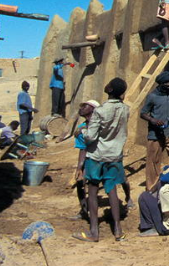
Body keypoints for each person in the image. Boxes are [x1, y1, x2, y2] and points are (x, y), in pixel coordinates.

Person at [73, 78, 130, 242]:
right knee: (112, 190)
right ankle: (118, 230)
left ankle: (94, 232)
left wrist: (81, 132)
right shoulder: (125, 109)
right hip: (115, 155)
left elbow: (91, 137)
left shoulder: (101, 111)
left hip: (97, 156)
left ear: (110, 89)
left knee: (92, 191)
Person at [71, 100, 134, 220]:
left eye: (85, 106)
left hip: (109, 156)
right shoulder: (81, 128)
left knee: (122, 180)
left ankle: (128, 198)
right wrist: (79, 167)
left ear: (93, 109)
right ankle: (84, 210)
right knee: (81, 182)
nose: (82, 108)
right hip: (93, 158)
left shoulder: (103, 124)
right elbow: (83, 149)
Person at [140, 71, 169, 191]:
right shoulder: (152, 97)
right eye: (166, 84)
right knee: (153, 160)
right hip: (155, 133)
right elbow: (143, 113)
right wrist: (153, 120)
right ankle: (152, 187)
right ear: (160, 84)